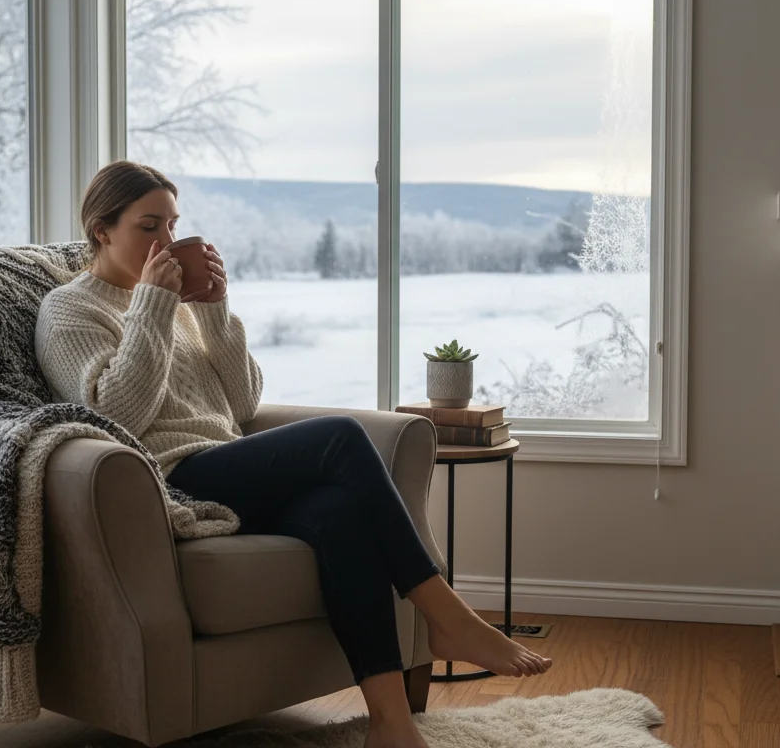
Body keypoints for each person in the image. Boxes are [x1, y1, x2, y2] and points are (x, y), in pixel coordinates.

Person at [35, 161, 552, 748]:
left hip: (227, 465)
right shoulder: (69, 310)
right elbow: (117, 415)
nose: (167, 242)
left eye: (173, 225)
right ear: (102, 230)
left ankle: (391, 723)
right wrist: (152, 303)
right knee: (341, 436)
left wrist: (213, 308)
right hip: (171, 477)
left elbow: (243, 399)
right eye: (148, 226)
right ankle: (446, 614)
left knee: (342, 514)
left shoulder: (178, 305)